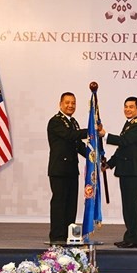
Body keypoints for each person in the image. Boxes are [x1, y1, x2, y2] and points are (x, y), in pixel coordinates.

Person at [47, 92, 101, 243]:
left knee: (71, 203)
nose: (70, 105)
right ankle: (57, 236)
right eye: (67, 103)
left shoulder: (74, 122)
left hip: (71, 169)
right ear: (60, 104)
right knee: (59, 202)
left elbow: (78, 145)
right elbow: (70, 135)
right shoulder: (56, 121)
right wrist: (90, 130)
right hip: (59, 170)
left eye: (73, 103)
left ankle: (69, 233)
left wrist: (95, 157)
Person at [103, 97, 137, 249]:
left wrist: (105, 135)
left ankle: (134, 239)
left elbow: (124, 141)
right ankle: (129, 236)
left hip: (133, 172)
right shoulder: (128, 124)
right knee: (127, 206)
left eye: (131, 107)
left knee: (132, 206)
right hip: (126, 171)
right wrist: (109, 164)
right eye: (126, 106)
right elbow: (122, 149)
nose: (127, 109)